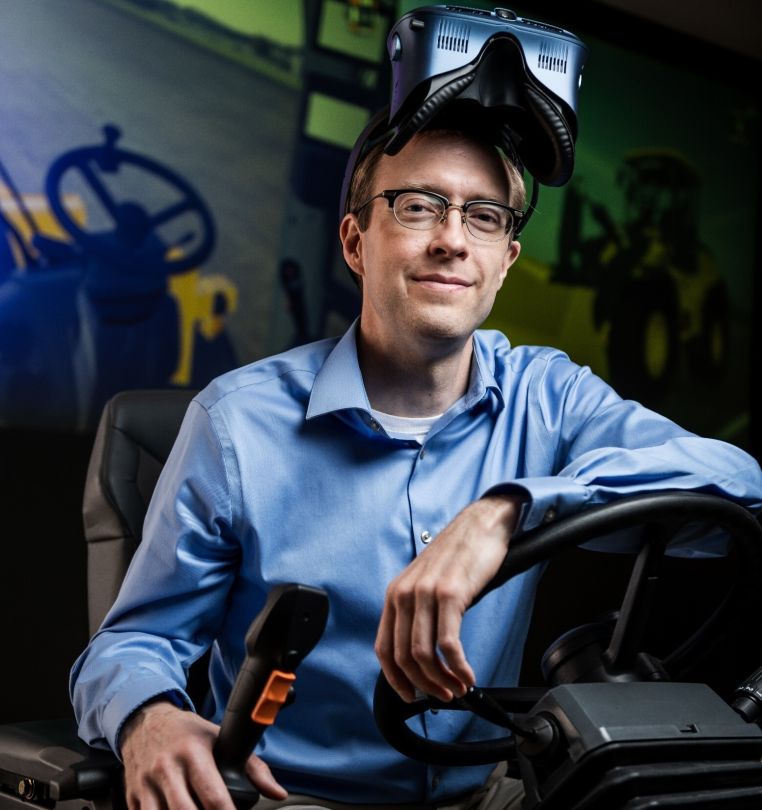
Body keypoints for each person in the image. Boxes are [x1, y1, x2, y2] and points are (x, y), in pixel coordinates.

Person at [70, 124, 762, 810]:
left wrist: (506, 511)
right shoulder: (235, 425)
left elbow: (738, 486)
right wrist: (147, 718)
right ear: (354, 243)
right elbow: (133, 642)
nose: (452, 239)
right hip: (299, 800)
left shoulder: (549, 396)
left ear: (506, 260)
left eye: (483, 217)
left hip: (492, 792)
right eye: (419, 206)